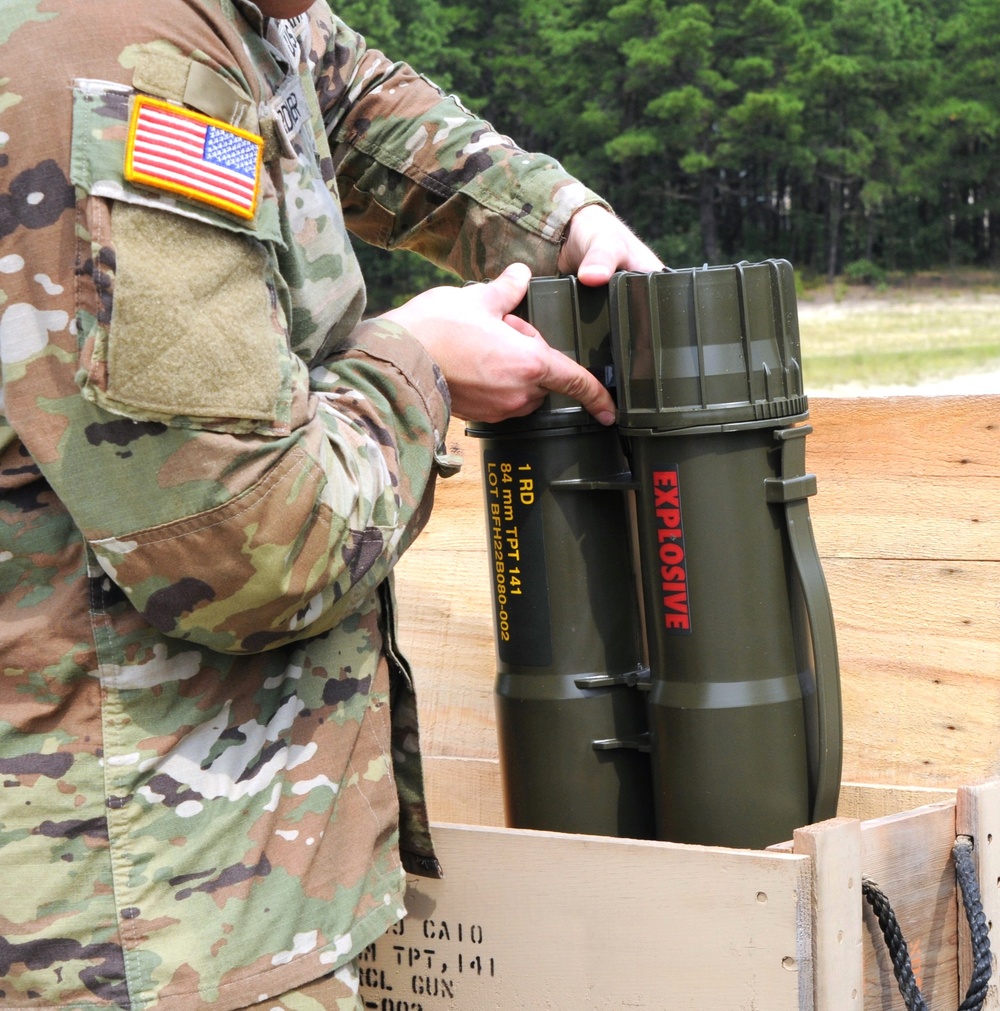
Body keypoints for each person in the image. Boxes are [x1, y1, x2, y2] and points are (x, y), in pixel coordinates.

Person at [0, 1, 663, 1007]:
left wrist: (559, 217)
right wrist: (418, 365)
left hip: (190, 884)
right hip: (138, 917)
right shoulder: (115, 61)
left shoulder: (246, 16)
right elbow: (244, 551)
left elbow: (339, 92)